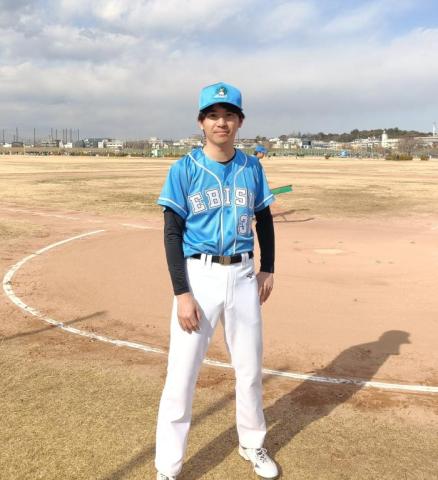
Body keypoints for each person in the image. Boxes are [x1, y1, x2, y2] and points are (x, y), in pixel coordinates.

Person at [155, 82, 278, 480]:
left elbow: (264, 219)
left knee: (250, 369)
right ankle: (167, 466)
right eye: (213, 115)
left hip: (243, 275)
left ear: (240, 122)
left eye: (228, 115)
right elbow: (172, 233)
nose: (221, 122)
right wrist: (182, 293)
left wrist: (268, 267)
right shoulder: (184, 169)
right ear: (201, 122)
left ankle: (252, 443)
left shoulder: (252, 167)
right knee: (182, 374)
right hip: (200, 276)